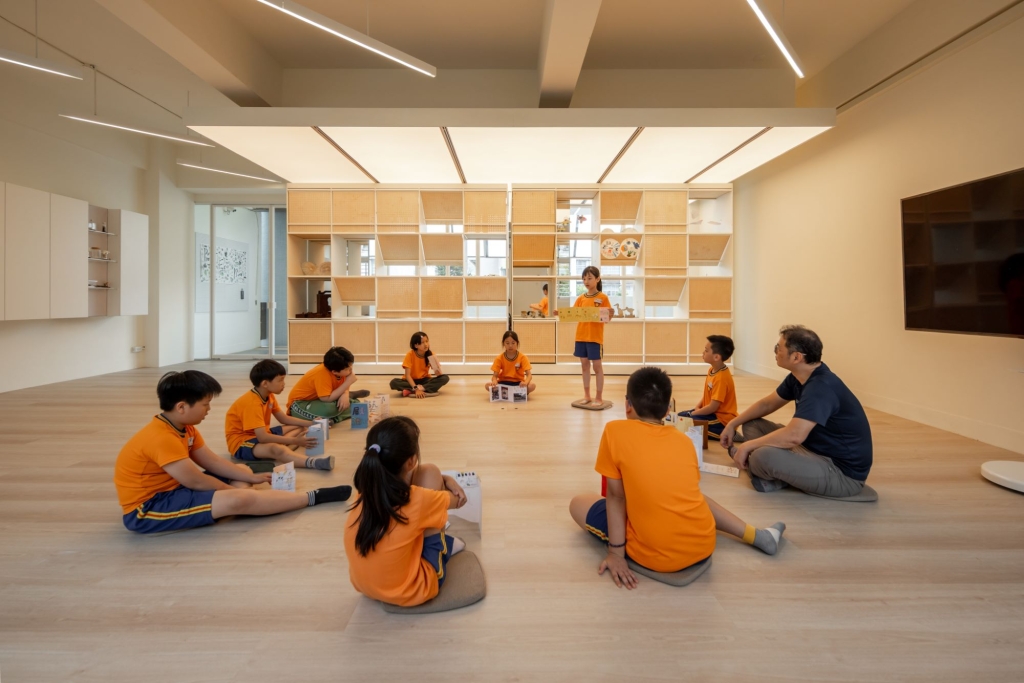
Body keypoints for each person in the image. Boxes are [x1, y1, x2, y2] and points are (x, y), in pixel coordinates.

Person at [569, 367, 786, 588]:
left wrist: (616, 553)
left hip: (656, 557)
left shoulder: (614, 431)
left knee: (578, 503)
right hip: (703, 546)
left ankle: (627, 544)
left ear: (627, 405)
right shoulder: (683, 440)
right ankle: (755, 535)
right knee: (692, 496)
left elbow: (616, 497)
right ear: (667, 410)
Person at [113, 370, 351, 534]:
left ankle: (244, 504)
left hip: (176, 489)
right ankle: (311, 497)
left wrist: (250, 478)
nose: (209, 409)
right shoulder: (162, 437)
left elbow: (213, 462)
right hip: (149, 508)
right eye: (205, 404)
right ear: (181, 407)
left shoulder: (185, 428)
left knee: (242, 470)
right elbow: (195, 481)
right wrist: (235, 493)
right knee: (240, 497)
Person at [720, 325, 874, 499]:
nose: (775, 352)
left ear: (796, 357)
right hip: (809, 449)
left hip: (841, 474)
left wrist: (747, 446)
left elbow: (794, 436)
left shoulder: (820, 387)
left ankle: (768, 471)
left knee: (761, 457)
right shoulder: (799, 377)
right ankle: (774, 473)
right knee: (752, 423)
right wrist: (733, 423)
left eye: (778, 348)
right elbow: (767, 404)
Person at [344, 416, 469, 607]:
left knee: (424, 487)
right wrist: (446, 481)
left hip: (364, 586)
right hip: (413, 590)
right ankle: (446, 546)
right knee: (431, 474)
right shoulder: (418, 499)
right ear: (411, 461)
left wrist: (444, 479)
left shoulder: (364, 491)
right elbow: (458, 501)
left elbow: (409, 477)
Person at [225, 359, 334, 471]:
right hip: (242, 442)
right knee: (276, 449)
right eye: (280, 380)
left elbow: (283, 418)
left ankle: (282, 452)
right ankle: (314, 462)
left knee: (301, 427)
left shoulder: (268, 395)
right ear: (265, 384)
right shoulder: (252, 404)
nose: (284, 383)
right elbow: (263, 438)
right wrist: (295, 441)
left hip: (261, 433)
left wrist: (312, 423)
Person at [554, 266, 612, 406]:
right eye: (584, 279)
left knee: (597, 367)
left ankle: (599, 397)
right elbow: (573, 313)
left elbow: (607, 318)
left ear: (597, 279)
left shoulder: (603, 297)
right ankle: (587, 395)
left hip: (595, 338)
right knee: (584, 367)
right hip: (580, 337)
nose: (586, 281)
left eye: (589, 278)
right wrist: (561, 313)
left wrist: (609, 314)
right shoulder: (581, 298)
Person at [677, 335, 738, 440]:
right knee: (681, 416)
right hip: (710, 413)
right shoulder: (712, 370)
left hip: (721, 420)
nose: (703, 353)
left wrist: (692, 413)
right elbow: (708, 395)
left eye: (706, 350)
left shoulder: (721, 378)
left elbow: (713, 407)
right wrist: (696, 408)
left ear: (716, 357)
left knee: (686, 424)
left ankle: (728, 433)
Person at [287, 346, 367, 424]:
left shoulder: (342, 370)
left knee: (357, 405)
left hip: (319, 399)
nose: (351, 370)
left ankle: (346, 398)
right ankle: (336, 418)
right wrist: (348, 382)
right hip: (300, 404)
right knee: (329, 410)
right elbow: (326, 399)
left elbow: (343, 384)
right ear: (334, 371)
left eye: (351, 365)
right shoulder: (322, 374)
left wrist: (345, 394)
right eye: (347, 369)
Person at [389, 331, 450, 398]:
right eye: (422, 342)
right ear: (416, 345)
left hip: (424, 380)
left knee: (445, 378)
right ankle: (422, 389)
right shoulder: (410, 355)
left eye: (427, 341)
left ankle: (412, 390)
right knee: (394, 382)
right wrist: (416, 388)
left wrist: (438, 371)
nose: (426, 344)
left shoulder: (431, 354)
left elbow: (439, 375)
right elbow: (407, 375)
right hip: (410, 380)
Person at [484, 330, 536, 395]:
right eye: (507, 343)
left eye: (513, 343)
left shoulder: (523, 357)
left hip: (518, 383)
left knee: (532, 385)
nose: (510, 346)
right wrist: (494, 381)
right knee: (487, 385)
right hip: (503, 382)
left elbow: (529, 375)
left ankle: (508, 393)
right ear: (503, 343)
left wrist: (525, 383)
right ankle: (515, 393)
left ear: (517, 343)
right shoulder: (499, 358)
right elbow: (495, 376)